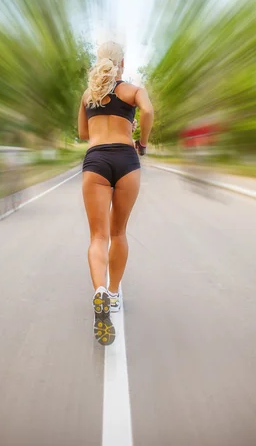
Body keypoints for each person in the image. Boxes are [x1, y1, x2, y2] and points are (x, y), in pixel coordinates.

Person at [78, 41, 154, 346]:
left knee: (98, 236)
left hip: (95, 160)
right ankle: (113, 293)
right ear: (122, 61)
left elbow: (83, 134)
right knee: (118, 232)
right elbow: (148, 111)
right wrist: (142, 141)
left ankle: (99, 292)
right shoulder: (133, 90)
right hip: (126, 159)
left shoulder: (88, 95)